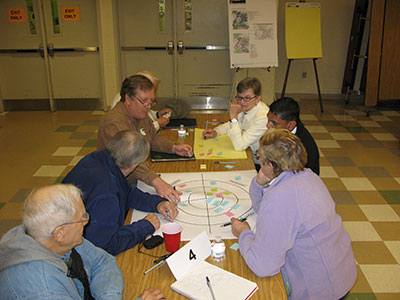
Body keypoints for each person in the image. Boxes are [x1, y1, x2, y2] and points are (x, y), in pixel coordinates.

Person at [230, 129, 357, 300]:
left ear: (271, 166)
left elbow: (263, 266)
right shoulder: (308, 176)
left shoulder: (281, 196)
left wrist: (243, 233)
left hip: (321, 290)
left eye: (259, 157)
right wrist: (259, 183)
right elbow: (264, 211)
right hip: (341, 273)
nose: (258, 160)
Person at [0, 184, 166, 300]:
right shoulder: (44, 291)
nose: (87, 221)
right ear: (60, 233)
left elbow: (103, 260)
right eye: (82, 217)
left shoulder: (48, 237)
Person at [63, 130, 178, 256]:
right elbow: (106, 245)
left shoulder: (99, 159)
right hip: (73, 251)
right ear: (134, 165)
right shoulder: (107, 194)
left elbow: (126, 193)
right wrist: (145, 226)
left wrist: (157, 203)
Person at [98, 74, 192, 202]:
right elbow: (129, 159)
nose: (148, 106)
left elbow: (152, 136)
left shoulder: (139, 113)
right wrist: (157, 182)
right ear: (128, 99)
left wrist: (173, 148)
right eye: (144, 101)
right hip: (118, 185)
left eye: (151, 101)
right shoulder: (114, 123)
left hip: (138, 179)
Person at [202, 77, 269, 170]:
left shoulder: (263, 117)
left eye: (247, 98)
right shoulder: (249, 106)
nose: (242, 102)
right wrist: (216, 131)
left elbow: (239, 145)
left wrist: (233, 116)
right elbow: (232, 124)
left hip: (259, 163)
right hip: (247, 152)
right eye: (239, 97)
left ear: (258, 98)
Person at [267, 97, 320, 175]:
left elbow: (295, 179)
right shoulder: (280, 131)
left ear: (290, 125)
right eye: (268, 120)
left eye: (274, 123)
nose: (267, 125)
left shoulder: (305, 148)